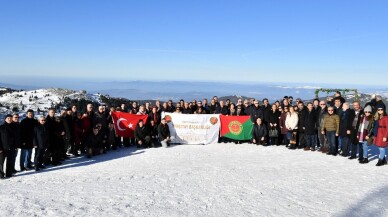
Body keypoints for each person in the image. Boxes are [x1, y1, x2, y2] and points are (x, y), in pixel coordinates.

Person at [0, 115, 15, 179]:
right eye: (8, 118)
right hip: (2, 148)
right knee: (1, 162)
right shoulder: (1, 127)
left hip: (11, 147)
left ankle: (8, 173)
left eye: (11, 118)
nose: (9, 119)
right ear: (5, 119)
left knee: (9, 161)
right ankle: (1, 175)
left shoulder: (13, 127)